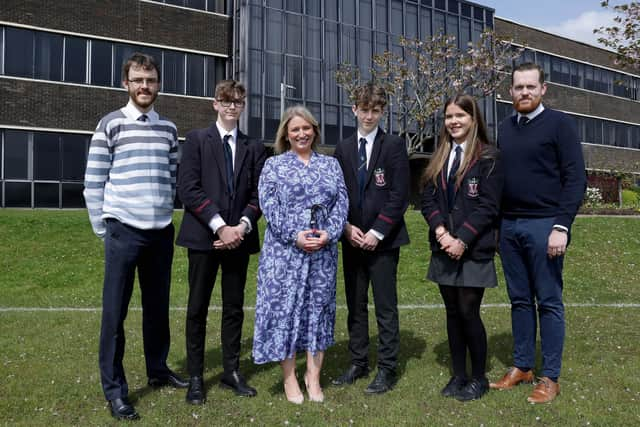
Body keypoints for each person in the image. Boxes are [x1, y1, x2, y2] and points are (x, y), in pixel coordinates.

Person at [83, 52, 187, 421]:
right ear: (126, 83)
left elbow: (173, 179)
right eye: (138, 80)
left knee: (157, 310)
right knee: (115, 314)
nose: (145, 86)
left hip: (160, 232)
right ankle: (115, 390)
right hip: (122, 231)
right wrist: (104, 228)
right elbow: (94, 182)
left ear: (159, 84)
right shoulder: (110, 124)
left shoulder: (169, 129)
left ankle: (158, 370)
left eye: (151, 80)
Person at [491, 62, 586, 404]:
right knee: (519, 300)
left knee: (547, 301)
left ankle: (550, 376)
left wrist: (562, 226)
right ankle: (522, 366)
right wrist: (497, 227)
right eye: (519, 87)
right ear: (510, 91)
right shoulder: (505, 127)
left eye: (531, 86)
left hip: (546, 225)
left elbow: (575, 179)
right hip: (510, 227)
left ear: (543, 89)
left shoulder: (560, 125)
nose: (525, 92)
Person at [176, 80, 266, 404]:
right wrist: (219, 227)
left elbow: (259, 195)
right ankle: (196, 378)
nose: (231, 106)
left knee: (233, 308)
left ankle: (231, 372)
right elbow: (188, 188)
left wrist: (240, 226)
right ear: (215, 103)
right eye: (226, 101)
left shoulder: (253, 146)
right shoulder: (198, 140)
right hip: (204, 239)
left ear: (243, 106)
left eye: (237, 102)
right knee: (197, 308)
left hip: (238, 240)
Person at [253, 105, 348, 404]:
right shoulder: (274, 166)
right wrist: (294, 235)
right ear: (286, 133)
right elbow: (269, 206)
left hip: (322, 251)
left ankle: (313, 376)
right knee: (285, 311)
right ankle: (290, 378)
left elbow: (342, 203)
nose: (301, 133)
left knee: (317, 311)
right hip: (284, 253)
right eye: (295, 129)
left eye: (306, 128)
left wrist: (329, 233)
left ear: (315, 131)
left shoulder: (331, 165)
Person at [421, 94, 503, 401]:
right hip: (444, 246)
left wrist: (462, 239)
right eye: (448, 116)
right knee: (452, 312)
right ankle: (458, 375)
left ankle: (478, 378)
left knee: (469, 312)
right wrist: (442, 234)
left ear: (473, 119)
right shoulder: (440, 154)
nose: (453, 121)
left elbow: (489, 206)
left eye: (460, 116)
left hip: (473, 247)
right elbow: (427, 199)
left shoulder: (489, 156)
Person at [333, 82, 410, 394]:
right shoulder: (343, 148)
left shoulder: (393, 146)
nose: (369, 115)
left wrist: (377, 232)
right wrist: (347, 228)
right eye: (364, 110)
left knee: (385, 306)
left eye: (375, 110)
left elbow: (398, 195)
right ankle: (358, 361)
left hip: (383, 242)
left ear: (382, 112)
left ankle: (388, 368)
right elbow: (337, 194)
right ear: (354, 110)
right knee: (355, 304)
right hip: (352, 239)